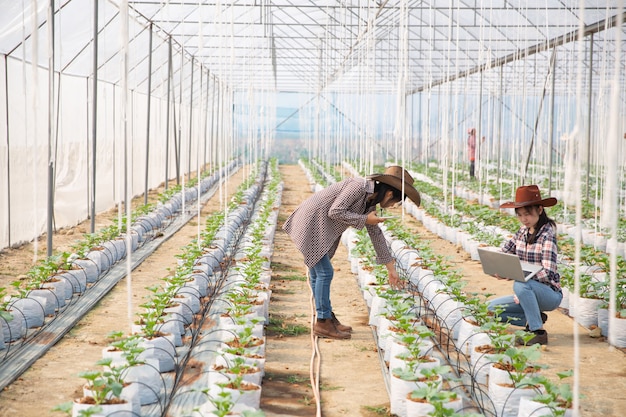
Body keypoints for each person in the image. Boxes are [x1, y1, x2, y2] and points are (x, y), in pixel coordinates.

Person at [283, 165, 421, 340]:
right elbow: (335, 211)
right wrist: (364, 219)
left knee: (319, 274)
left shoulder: (369, 202)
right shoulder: (358, 186)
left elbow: (376, 234)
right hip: (311, 223)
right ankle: (323, 322)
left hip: (317, 225)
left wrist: (391, 269)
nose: (393, 206)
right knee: (324, 273)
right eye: (396, 202)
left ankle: (325, 317)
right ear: (389, 194)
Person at [488, 185, 563, 345]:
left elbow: (548, 272)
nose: (524, 219)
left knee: (521, 284)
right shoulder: (522, 232)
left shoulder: (547, 236)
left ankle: (537, 332)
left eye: (528, 214)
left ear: (540, 210)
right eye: (520, 215)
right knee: (490, 309)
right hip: (526, 291)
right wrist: (500, 267)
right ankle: (532, 317)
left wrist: (521, 275)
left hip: (548, 294)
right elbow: (505, 251)